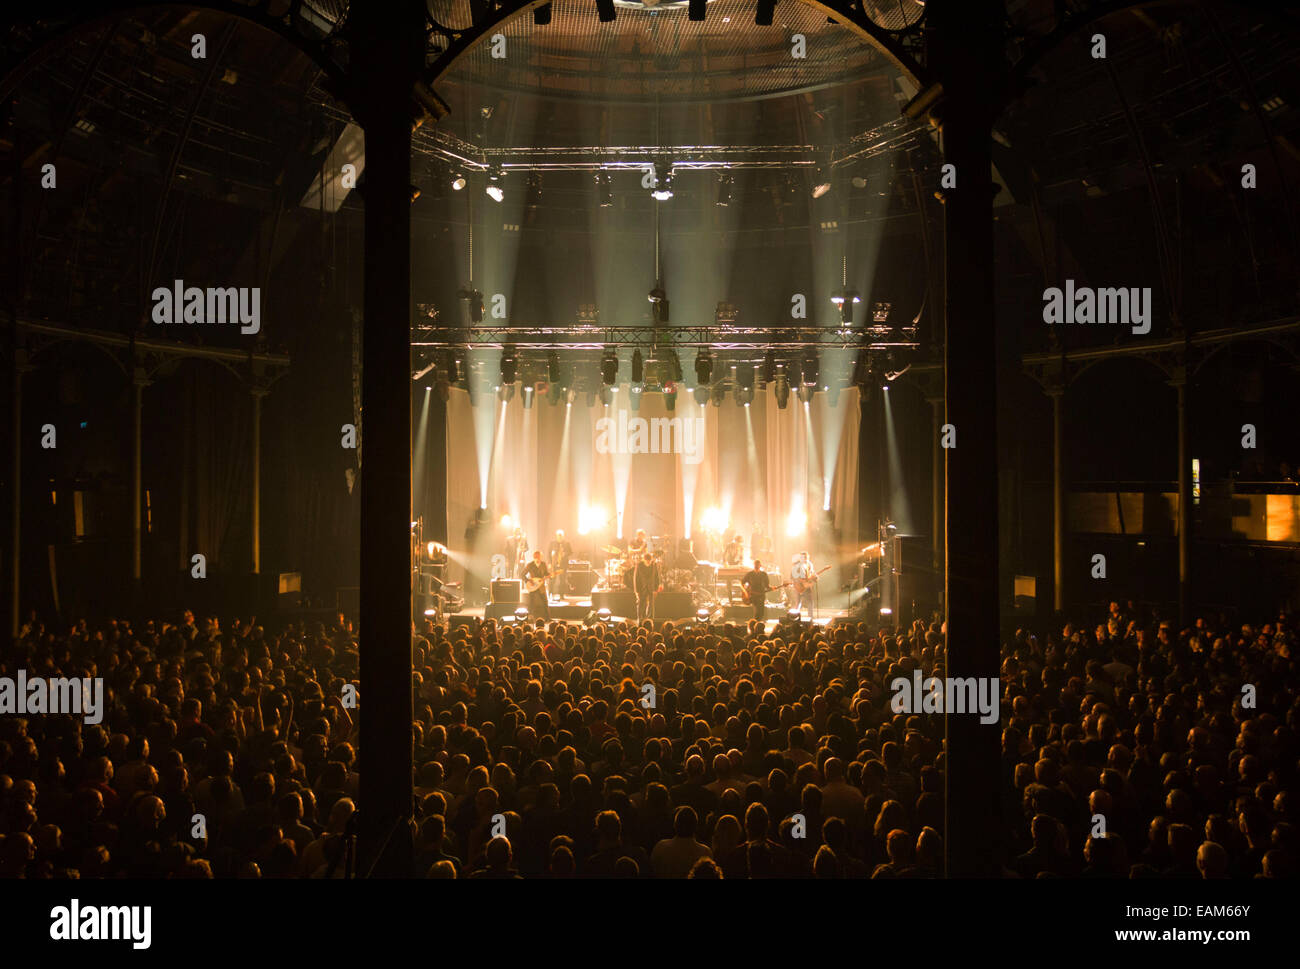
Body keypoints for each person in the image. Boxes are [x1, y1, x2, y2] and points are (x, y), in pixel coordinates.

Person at [633, 552, 662, 622]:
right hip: (641, 588)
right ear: (644, 560)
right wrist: (637, 591)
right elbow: (636, 579)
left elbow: (657, 577)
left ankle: (650, 619)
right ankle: (640, 618)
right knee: (641, 603)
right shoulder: (639, 566)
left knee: (651, 605)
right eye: (647, 561)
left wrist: (656, 589)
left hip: (651, 588)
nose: (649, 563)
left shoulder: (654, 565)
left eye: (650, 561)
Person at [521, 551, 550, 620]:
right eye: (536, 557)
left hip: (541, 586)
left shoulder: (543, 564)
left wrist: (550, 575)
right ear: (534, 557)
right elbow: (522, 574)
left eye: (539, 557)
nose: (537, 558)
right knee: (531, 603)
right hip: (533, 586)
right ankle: (528, 618)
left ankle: (548, 618)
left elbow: (546, 573)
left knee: (545, 602)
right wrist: (528, 581)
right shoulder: (530, 565)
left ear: (541, 557)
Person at [548, 530, 572, 600]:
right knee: (552, 580)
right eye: (558, 535)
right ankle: (550, 594)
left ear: (563, 536)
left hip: (563, 565)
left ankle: (561, 595)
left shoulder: (567, 543)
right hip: (554, 565)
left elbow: (570, 552)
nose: (560, 537)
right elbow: (548, 553)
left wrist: (565, 554)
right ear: (556, 536)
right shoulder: (552, 543)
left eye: (561, 536)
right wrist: (549, 563)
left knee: (562, 581)